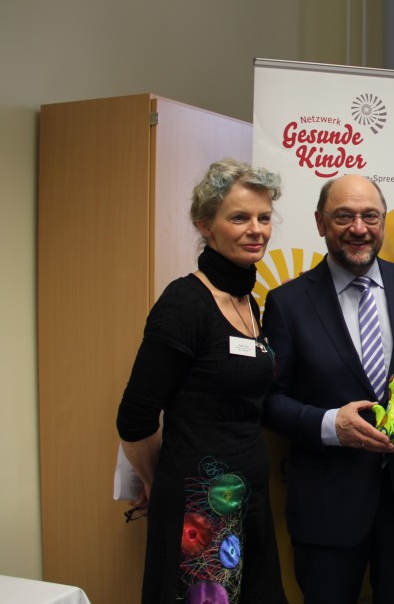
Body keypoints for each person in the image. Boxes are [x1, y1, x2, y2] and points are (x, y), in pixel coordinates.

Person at [261, 174, 394, 604]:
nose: (359, 228)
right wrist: (331, 425)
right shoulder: (287, 303)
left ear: (383, 221)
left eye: (370, 216)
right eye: (344, 216)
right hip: (327, 508)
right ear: (320, 222)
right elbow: (269, 402)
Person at [116, 158, 287, 603]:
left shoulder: (248, 302)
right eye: (239, 217)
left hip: (247, 499)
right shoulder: (184, 303)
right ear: (205, 226)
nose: (256, 230)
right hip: (201, 508)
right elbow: (134, 417)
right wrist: (163, 483)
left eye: (264, 217)